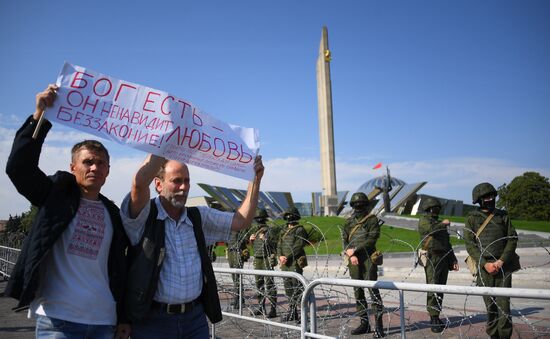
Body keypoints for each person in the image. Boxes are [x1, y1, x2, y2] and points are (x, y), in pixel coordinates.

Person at [4, 84, 131, 339]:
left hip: (104, 322)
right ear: (73, 167)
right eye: (87, 162)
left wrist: (123, 318)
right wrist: (39, 115)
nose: (94, 167)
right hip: (58, 322)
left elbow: (121, 269)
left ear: (108, 170)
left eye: (100, 163)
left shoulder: (114, 214)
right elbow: (19, 168)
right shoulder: (56, 195)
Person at [121, 153, 264, 338]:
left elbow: (241, 221)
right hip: (153, 321)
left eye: (187, 181)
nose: (184, 187)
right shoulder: (144, 216)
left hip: (194, 320)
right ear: (158, 184)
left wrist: (255, 180)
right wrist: (162, 142)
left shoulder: (198, 218)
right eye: (176, 181)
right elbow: (139, 184)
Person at [465, 183, 520, 339]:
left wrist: (502, 261)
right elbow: (470, 245)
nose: (491, 199)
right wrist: (485, 264)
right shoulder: (471, 219)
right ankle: (493, 335)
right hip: (485, 268)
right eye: (487, 197)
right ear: (480, 200)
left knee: (504, 305)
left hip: (503, 266)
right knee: (491, 306)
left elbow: (512, 238)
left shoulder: (503, 216)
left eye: (492, 196)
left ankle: (504, 335)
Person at [342, 192, 385, 337]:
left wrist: (355, 250)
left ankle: (379, 326)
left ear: (366, 205)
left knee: (373, 290)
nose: (358, 206)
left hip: (368, 258)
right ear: (353, 205)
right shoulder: (349, 222)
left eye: (361, 204)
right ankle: (364, 323)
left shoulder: (371, 220)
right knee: (358, 291)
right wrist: (351, 254)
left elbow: (372, 238)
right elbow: (345, 239)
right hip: (353, 259)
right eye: (356, 204)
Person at [417, 197, 459, 333]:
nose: (436, 210)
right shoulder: (424, 220)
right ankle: (433, 317)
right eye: (434, 208)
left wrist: (453, 259)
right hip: (432, 257)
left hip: (443, 257)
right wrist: (443, 224)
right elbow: (430, 230)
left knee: (440, 288)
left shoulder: (438, 222)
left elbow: (447, 243)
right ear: (428, 209)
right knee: (433, 287)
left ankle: (437, 314)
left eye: (437, 208)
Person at [277, 206, 308, 323]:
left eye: (291, 215)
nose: (289, 217)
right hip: (284, 263)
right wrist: (280, 256)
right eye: (287, 215)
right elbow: (279, 245)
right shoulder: (283, 230)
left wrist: (287, 257)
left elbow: (298, 246)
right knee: (288, 288)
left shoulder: (300, 229)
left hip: (294, 262)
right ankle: (292, 311)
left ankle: (303, 313)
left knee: (297, 288)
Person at [249, 209, 278, 318]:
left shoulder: (269, 230)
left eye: (260, 218)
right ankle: (261, 306)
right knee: (259, 284)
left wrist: (266, 239)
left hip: (266, 258)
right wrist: (251, 241)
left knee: (269, 284)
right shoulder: (255, 231)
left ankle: (273, 309)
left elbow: (275, 245)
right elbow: (256, 247)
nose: (258, 221)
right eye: (257, 219)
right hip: (258, 259)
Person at [226, 227, 250, 309]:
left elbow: (245, 241)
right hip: (231, 253)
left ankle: (238, 299)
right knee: (234, 278)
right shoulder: (228, 229)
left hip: (237, 253)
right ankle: (238, 298)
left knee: (237, 278)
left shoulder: (241, 229)